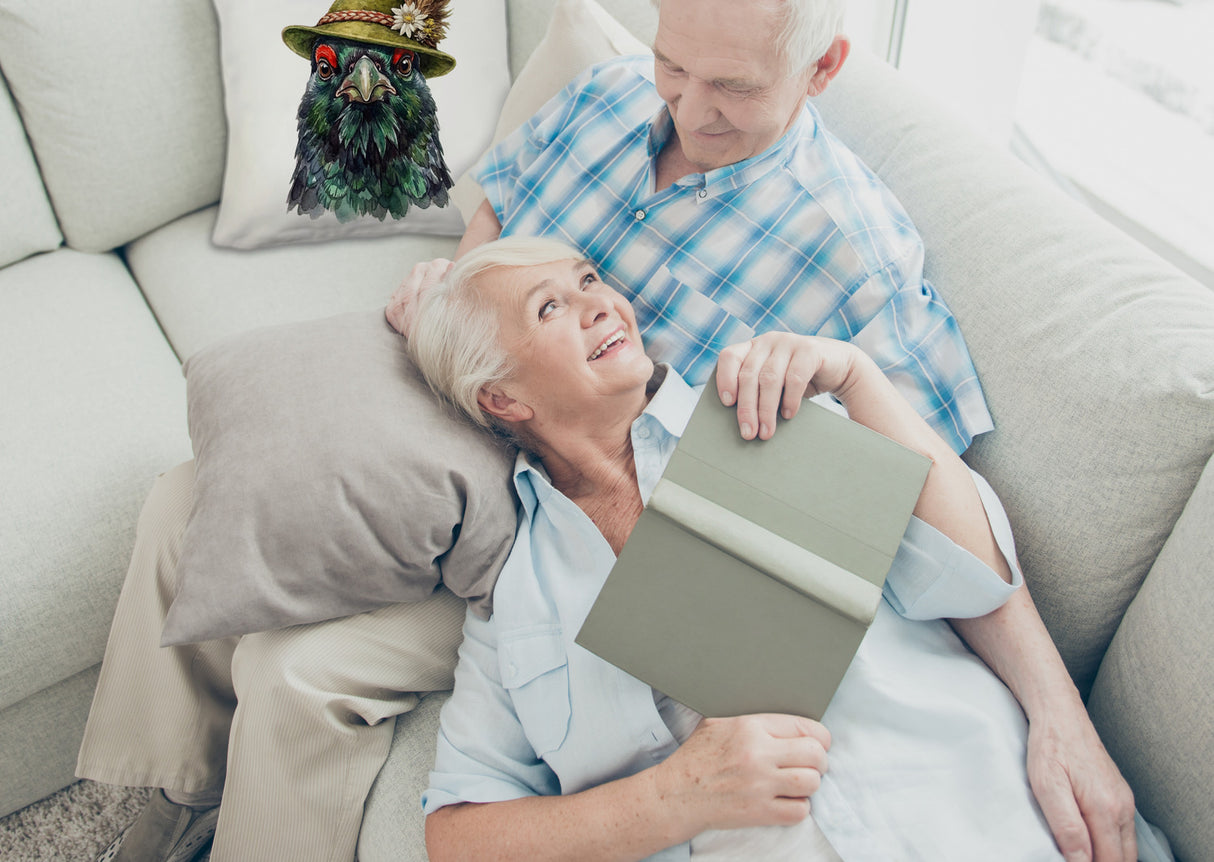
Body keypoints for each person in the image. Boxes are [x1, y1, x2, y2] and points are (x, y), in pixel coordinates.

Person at [79, 0, 1131, 862]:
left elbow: (927, 504)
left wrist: (1057, 711)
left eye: (732, 86)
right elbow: (500, 210)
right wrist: (457, 291)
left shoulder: (853, 255)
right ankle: (159, 798)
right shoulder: (609, 95)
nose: (687, 105)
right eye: (675, 64)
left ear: (820, 68)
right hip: (487, 394)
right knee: (192, 494)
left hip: (577, 499)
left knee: (300, 672)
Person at [407, 236, 1160, 862]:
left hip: (985, 815)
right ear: (502, 398)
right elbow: (458, 835)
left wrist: (859, 379)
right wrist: (674, 797)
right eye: (550, 307)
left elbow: (972, 577)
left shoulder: (761, 409)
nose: (601, 303)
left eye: (589, 280)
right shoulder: (517, 600)